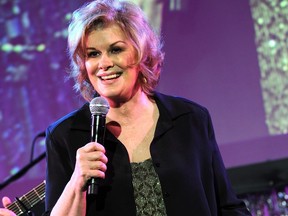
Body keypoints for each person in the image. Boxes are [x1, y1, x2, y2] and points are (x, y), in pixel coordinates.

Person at [1, 0, 251, 215]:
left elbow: (227, 207)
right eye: (92, 54)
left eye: (116, 49)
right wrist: (77, 180)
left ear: (141, 54)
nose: (104, 63)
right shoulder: (65, 136)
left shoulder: (190, 119)